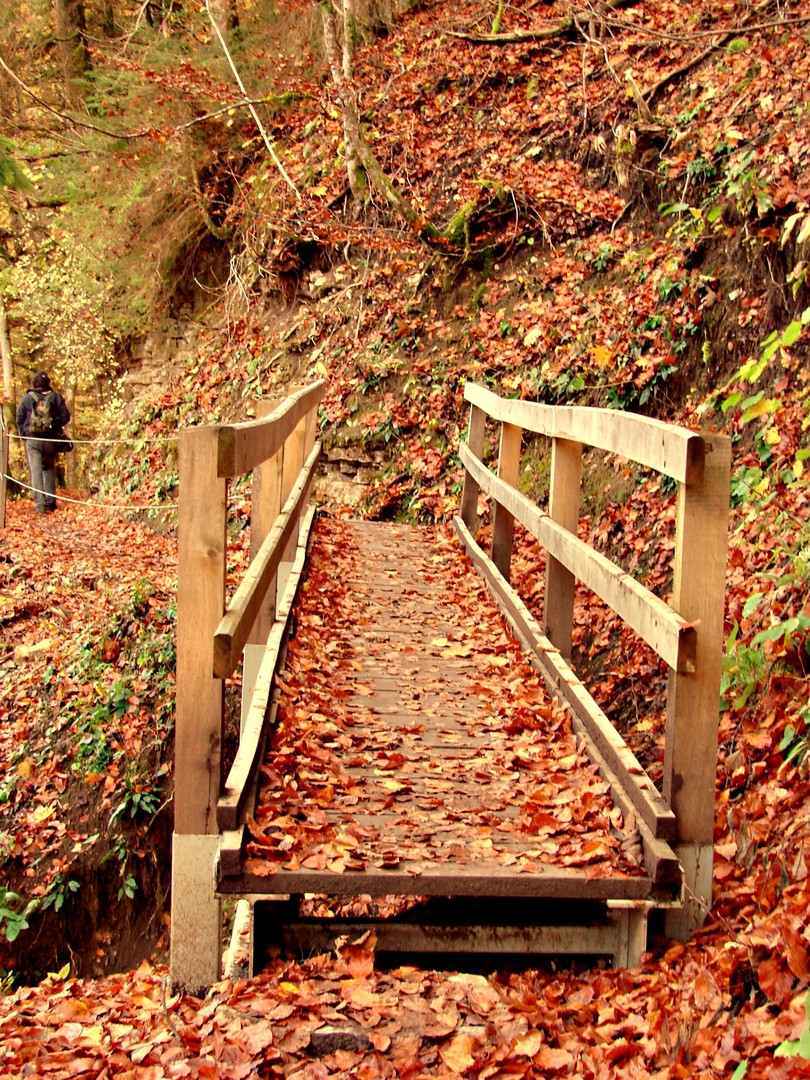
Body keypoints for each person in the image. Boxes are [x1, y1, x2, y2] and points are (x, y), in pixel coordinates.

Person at [16, 370, 71, 515]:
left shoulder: (27, 398)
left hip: (33, 440)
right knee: (48, 469)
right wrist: (55, 426)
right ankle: (50, 503)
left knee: (36, 472)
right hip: (50, 439)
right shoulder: (55, 397)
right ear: (48, 383)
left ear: (34, 383)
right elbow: (66, 417)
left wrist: (25, 434)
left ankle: (40, 507)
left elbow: (19, 419)